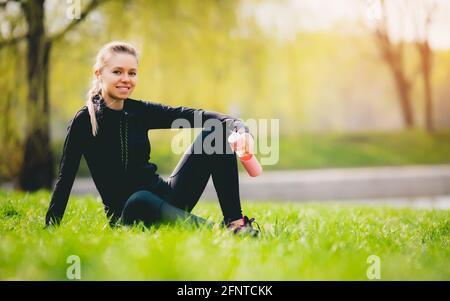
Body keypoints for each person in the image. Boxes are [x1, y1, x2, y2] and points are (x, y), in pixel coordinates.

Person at [45, 41, 259, 236]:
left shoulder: (139, 111)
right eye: (117, 72)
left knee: (216, 133)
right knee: (140, 199)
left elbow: (196, 115)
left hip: (166, 196)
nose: (126, 79)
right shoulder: (84, 121)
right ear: (99, 73)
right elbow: (66, 178)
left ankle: (235, 223)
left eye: (132, 73)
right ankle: (219, 233)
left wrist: (242, 130)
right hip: (129, 212)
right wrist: (50, 227)